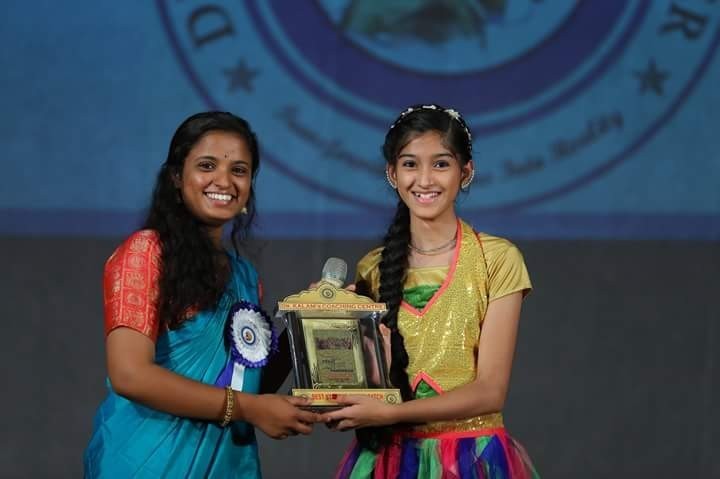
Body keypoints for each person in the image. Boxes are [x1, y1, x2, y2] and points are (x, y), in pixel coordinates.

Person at [83, 111, 319, 478]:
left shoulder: (244, 275)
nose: (223, 181)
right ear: (177, 177)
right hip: (148, 462)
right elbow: (130, 375)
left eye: (239, 170)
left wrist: (306, 323)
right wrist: (250, 409)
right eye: (207, 165)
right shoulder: (147, 253)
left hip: (227, 464)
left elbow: (246, 383)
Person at [323, 104, 540, 478]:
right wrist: (324, 321)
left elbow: (490, 391)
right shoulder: (372, 268)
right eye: (410, 164)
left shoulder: (497, 259)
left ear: (465, 172)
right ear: (392, 173)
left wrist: (392, 413)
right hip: (388, 459)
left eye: (440, 164)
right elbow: (365, 381)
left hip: (471, 458)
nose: (424, 179)